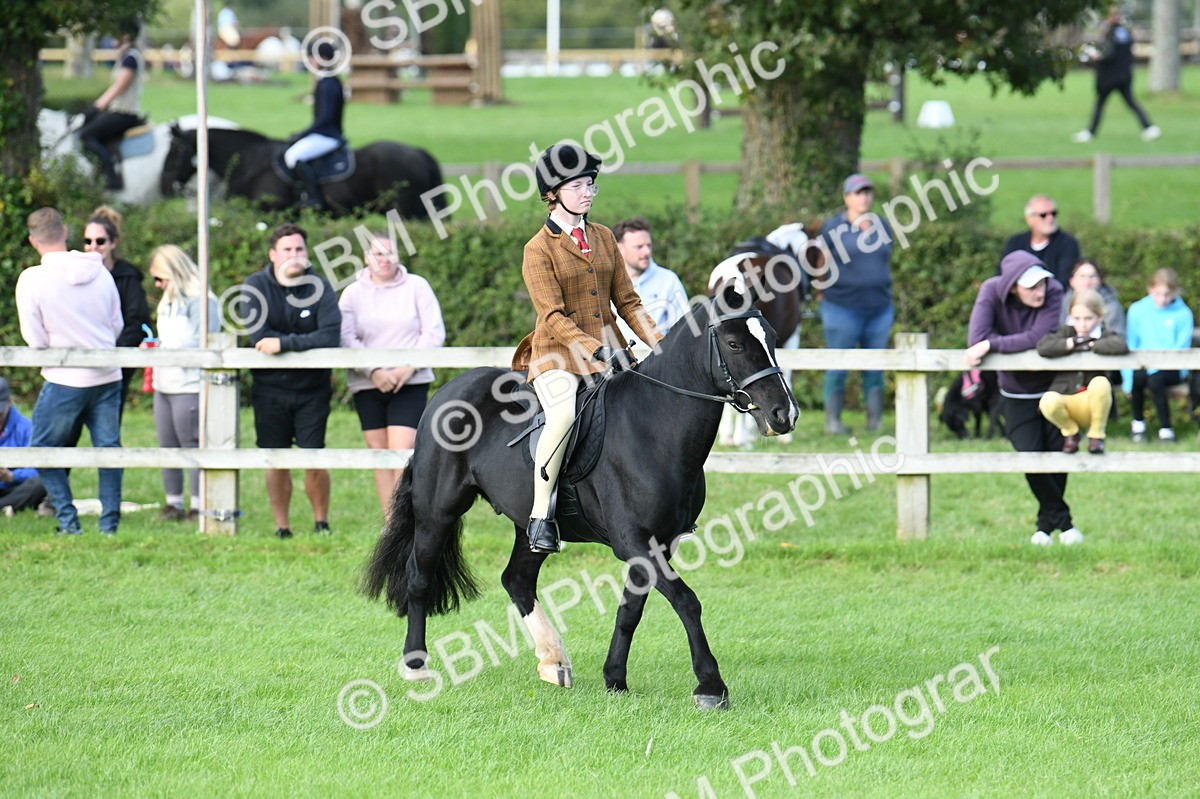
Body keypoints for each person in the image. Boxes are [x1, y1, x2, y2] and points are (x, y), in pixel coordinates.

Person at [513, 143, 664, 553]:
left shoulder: (602, 237)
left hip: (612, 350)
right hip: (556, 356)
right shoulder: (537, 249)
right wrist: (595, 350)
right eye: (577, 185)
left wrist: (661, 344)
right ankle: (540, 516)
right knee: (562, 416)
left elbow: (628, 302)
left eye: (590, 185)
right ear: (552, 194)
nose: (587, 193)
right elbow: (552, 316)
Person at [16, 208, 124, 536]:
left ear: (34, 240)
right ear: (64, 231)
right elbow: (116, 324)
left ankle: (67, 520)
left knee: (43, 448)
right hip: (107, 375)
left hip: (64, 377)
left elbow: (34, 340)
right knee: (109, 451)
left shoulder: (32, 279)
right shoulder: (101, 271)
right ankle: (109, 526)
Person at [966, 251, 1083, 546]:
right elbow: (975, 337)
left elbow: (1039, 339)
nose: (1039, 291)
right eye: (1031, 287)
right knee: (1030, 455)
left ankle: (1045, 529)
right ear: (1012, 286)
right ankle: (1064, 522)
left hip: (1056, 388)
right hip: (1015, 390)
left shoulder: (1054, 290)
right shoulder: (991, 291)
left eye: (1041, 284)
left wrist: (993, 343)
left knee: (1057, 457)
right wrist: (987, 342)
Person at [243, 224, 341, 538]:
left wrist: (284, 344)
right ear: (273, 254)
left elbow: (330, 335)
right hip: (269, 388)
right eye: (287, 250)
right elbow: (259, 337)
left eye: (299, 249)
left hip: (313, 389)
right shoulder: (255, 286)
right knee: (276, 458)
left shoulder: (321, 287)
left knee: (314, 456)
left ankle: (321, 522)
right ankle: (282, 526)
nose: (294, 255)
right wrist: (301, 340)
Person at [339, 234, 446, 512]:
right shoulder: (352, 293)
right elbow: (346, 337)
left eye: (390, 253)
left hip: (410, 381)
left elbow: (433, 332)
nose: (384, 260)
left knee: (402, 451)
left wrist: (405, 369)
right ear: (366, 257)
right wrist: (374, 371)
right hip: (367, 383)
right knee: (379, 454)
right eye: (378, 254)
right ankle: (390, 525)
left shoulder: (417, 287)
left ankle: (403, 518)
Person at [147, 245, 221, 522]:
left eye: (160, 278)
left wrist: (170, 351)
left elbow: (207, 338)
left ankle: (197, 504)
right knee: (168, 443)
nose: (158, 285)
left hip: (189, 383)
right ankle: (172, 502)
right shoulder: (168, 298)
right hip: (163, 382)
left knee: (191, 443)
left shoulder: (201, 299)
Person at [817, 173, 895, 434]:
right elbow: (820, 262)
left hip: (879, 308)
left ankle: (875, 423)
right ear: (846, 198)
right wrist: (820, 290)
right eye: (857, 193)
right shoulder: (833, 227)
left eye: (867, 192)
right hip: (841, 307)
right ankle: (833, 422)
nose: (863, 197)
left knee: (874, 366)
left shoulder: (882, 225)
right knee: (838, 364)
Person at [1037, 289, 1129, 455]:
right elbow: (1043, 346)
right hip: (1067, 398)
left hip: (1092, 402)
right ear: (1070, 316)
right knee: (1047, 400)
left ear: (1100, 317)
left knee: (1101, 383)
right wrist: (1071, 343)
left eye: (1088, 318)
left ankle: (1096, 435)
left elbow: (1121, 345)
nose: (1083, 324)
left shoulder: (1104, 334)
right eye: (1077, 318)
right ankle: (1070, 433)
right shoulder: (1066, 332)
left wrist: (1092, 344)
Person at [82, 206, 152, 410]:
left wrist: (113, 355)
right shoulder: (75, 275)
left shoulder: (127, 278)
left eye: (100, 241)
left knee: (107, 432)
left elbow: (137, 321)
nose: (93, 246)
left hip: (115, 364)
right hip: (81, 364)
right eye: (88, 241)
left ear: (112, 243)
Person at [1122, 268, 1193, 443]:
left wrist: (1155, 366)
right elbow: (1132, 343)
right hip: (1142, 365)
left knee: (1155, 380)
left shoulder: (1183, 314)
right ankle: (1138, 424)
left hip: (1172, 367)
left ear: (1174, 292)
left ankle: (1166, 428)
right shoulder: (1137, 310)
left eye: (1167, 294)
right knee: (1137, 378)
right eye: (1158, 293)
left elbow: (1180, 348)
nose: (1162, 299)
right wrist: (1127, 378)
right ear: (1150, 290)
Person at [1073, 5, 1161, 143]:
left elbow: (1110, 54)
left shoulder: (1111, 32)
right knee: (1131, 103)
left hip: (1109, 78)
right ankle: (1149, 127)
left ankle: (1090, 132)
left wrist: (1096, 56)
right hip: (1124, 75)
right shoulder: (1125, 32)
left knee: (1101, 104)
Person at [75, 17, 145, 190]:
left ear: (126, 36)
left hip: (124, 113)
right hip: (118, 111)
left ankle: (111, 177)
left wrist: (96, 107)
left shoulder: (130, 58)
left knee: (86, 135)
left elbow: (118, 88)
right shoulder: (126, 56)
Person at [285, 41, 346, 208]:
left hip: (328, 135)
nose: (310, 61)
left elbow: (325, 118)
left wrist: (303, 134)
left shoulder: (328, 84)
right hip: (323, 132)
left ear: (323, 58)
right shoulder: (327, 81)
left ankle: (313, 198)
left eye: (312, 57)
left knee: (293, 156)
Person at [612, 217, 690, 334]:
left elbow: (685, 329)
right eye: (639, 247)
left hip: (661, 351)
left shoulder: (669, 280)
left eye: (649, 245)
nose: (647, 252)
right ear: (619, 248)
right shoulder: (605, 282)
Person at [998, 195, 1082, 288]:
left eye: (1053, 213)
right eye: (1043, 215)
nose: (1050, 218)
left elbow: (1063, 281)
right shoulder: (1015, 243)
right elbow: (1002, 275)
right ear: (1029, 219)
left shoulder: (1067, 243)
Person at [0, 377, 49, 517]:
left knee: (41, 484)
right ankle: (7, 507)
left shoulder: (27, 428)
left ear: (9, 402)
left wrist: (11, 476)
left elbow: (40, 469)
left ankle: (6, 505)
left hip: (15, 488)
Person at [1060, 258, 1125, 337]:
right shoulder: (1062, 303)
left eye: (1092, 276)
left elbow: (1118, 340)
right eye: (1082, 276)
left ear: (1100, 280)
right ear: (1071, 280)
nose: (1087, 281)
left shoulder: (1112, 306)